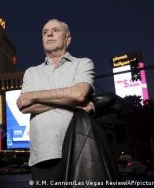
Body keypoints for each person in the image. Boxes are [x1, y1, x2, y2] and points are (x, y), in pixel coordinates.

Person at [16, 19, 95, 186]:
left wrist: (34, 95)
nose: (49, 34)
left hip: (79, 151)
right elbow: (24, 105)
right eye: (45, 32)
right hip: (43, 155)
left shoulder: (83, 63)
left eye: (55, 30)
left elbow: (79, 94)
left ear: (68, 39)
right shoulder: (31, 72)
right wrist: (70, 102)